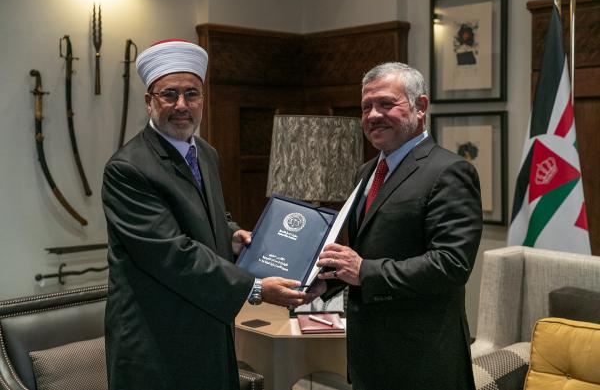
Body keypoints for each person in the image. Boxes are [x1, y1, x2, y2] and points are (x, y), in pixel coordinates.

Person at [101, 39, 313, 390]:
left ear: (203, 99)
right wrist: (255, 287)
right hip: (155, 340)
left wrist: (231, 235)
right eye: (169, 95)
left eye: (192, 94)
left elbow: (208, 215)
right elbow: (172, 254)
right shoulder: (128, 169)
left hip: (209, 327)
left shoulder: (205, 153)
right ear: (149, 101)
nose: (181, 105)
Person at [313, 62, 483, 390]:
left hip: (422, 361)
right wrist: (327, 282)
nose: (373, 115)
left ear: (420, 106)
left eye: (386, 103)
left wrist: (363, 271)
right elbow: (365, 251)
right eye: (366, 106)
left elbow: (451, 265)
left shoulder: (449, 171)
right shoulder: (366, 172)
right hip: (369, 358)